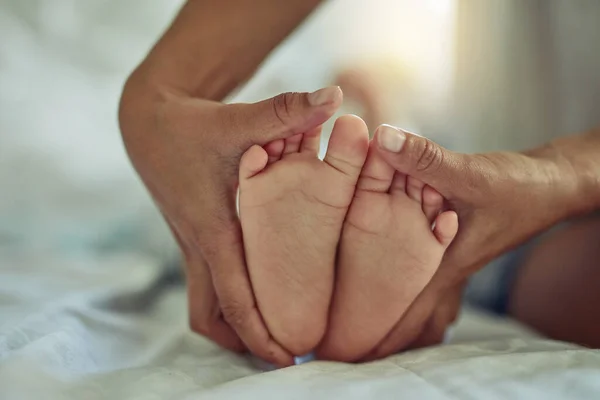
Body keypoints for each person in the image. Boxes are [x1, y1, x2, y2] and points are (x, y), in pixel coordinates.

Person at [119, 0, 600, 367]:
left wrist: (564, 176)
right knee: (558, 276)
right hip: (490, 206)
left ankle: (318, 256)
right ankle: (358, 261)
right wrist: (158, 92)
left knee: (379, 162)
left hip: (492, 193)